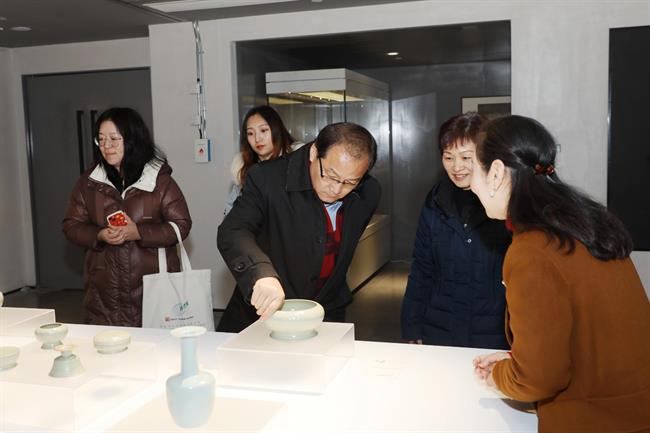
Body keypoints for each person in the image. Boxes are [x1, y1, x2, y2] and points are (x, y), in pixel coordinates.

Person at [471, 115, 650, 433]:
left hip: (595, 421)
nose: (471, 185)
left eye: (474, 169)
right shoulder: (584, 223)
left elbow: (539, 378)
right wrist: (517, 360)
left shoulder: (532, 251)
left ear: (496, 173)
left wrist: (501, 376)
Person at [217, 122, 381, 332]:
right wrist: (260, 273)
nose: (336, 189)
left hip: (326, 313)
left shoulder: (369, 193)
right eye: (330, 175)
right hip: (264, 314)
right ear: (314, 152)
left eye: (350, 182)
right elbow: (234, 230)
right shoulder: (267, 179)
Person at [62, 107, 192, 326]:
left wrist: (138, 232)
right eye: (101, 140)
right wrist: (100, 235)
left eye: (114, 139)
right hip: (104, 296)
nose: (107, 146)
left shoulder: (159, 181)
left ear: (132, 140)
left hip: (153, 289)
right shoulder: (89, 182)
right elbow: (71, 225)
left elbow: (181, 225)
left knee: (153, 346)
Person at [401, 112, 511, 349]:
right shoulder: (436, 200)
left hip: (495, 333)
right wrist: (412, 324)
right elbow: (422, 268)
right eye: (448, 157)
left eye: (466, 157)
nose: (456, 167)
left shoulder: (504, 205)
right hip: (440, 328)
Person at [224, 105, 301, 215]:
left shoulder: (298, 164)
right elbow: (231, 216)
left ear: (276, 130)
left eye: (263, 130)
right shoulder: (242, 171)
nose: (257, 139)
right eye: (250, 133)